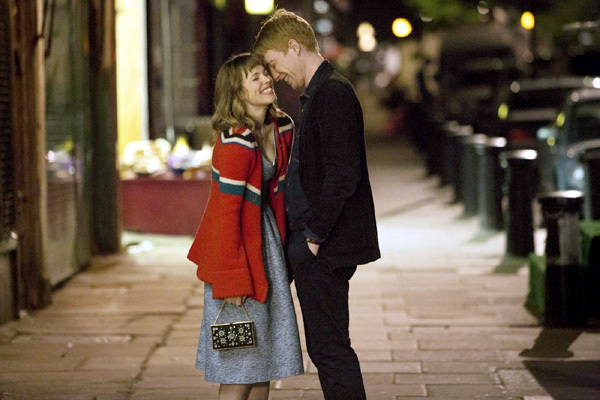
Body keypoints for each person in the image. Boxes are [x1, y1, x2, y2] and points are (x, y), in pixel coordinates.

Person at [254, 9, 381, 400]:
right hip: (319, 243)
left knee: (330, 349)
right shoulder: (318, 93)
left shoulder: (332, 93)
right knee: (326, 348)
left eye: (273, 63)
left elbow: (343, 175)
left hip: (325, 246)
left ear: (294, 47)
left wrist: (312, 238)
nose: (274, 75)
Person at [187, 53, 304, 400]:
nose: (267, 80)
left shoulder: (282, 127)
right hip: (237, 254)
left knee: (263, 363)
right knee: (239, 367)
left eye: (265, 73)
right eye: (255, 78)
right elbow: (227, 214)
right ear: (237, 93)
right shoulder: (235, 142)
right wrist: (232, 280)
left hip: (265, 248)